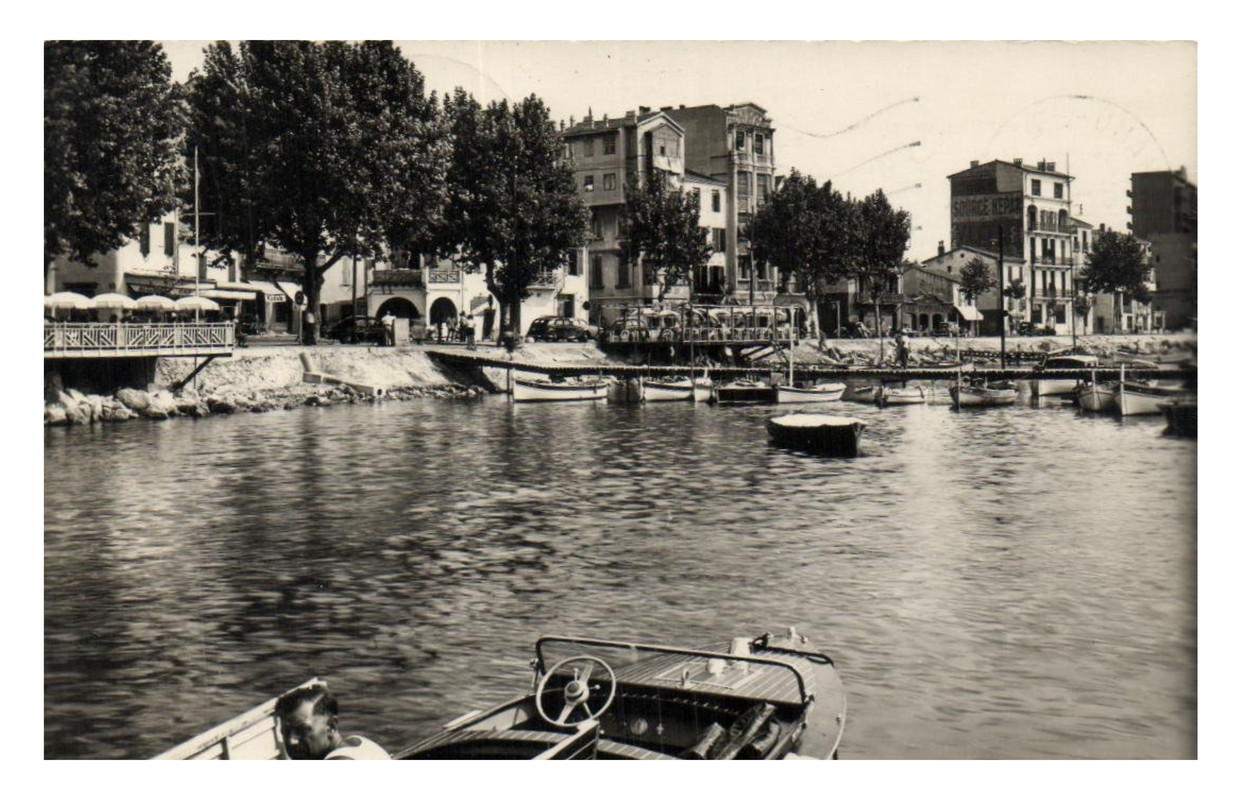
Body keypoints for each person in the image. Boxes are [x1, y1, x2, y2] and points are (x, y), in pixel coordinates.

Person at [275, 685, 389, 760]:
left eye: (302, 730)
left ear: (331, 726)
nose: (291, 741)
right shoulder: (358, 743)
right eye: (285, 732)